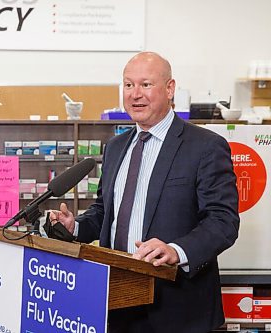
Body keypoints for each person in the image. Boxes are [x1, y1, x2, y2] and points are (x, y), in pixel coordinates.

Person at [49, 52, 240, 333]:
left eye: (145, 85)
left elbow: (223, 222)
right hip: (118, 302)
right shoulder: (115, 147)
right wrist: (75, 226)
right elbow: (106, 212)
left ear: (170, 88)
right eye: (128, 85)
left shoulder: (205, 146)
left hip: (178, 309)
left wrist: (176, 251)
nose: (135, 94)